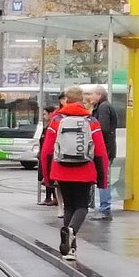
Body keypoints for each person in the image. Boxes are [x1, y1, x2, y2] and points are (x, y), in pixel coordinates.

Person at [40, 85, 110, 261]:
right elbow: (100, 152)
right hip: (85, 171)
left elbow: (46, 151)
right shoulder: (91, 121)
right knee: (82, 206)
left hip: (61, 170)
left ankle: (70, 249)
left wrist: (47, 176)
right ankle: (71, 232)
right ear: (82, 101)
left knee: (69, 206)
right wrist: (102, 178)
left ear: (66, 101)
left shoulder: (56, 121)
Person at [87, 86, 119, 221]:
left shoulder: (103, 107)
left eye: (91, 94)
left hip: (104, 149)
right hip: (106, 148)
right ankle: (103, 207)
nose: (89, 97)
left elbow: (103, 128)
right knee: (102, 177)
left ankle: (105, 209)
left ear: (99, 94)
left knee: (103, 178)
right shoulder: (102, 106)